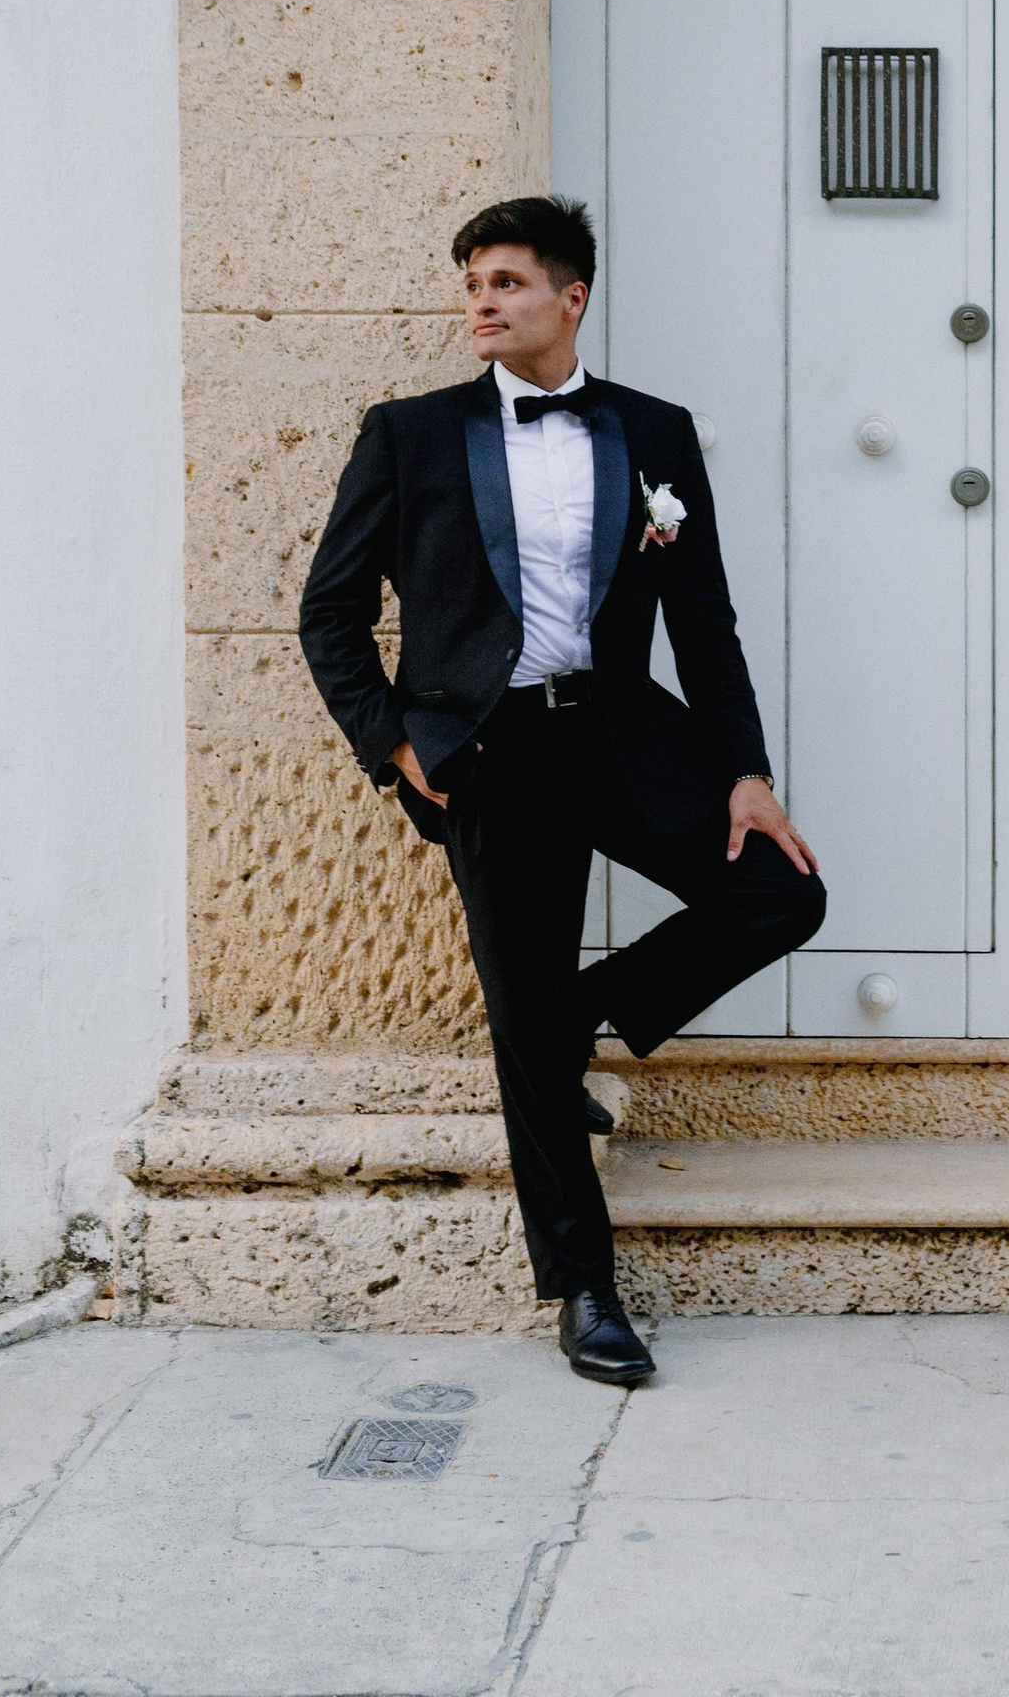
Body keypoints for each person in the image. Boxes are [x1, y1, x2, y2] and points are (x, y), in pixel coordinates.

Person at [298, 196, 827, 1387]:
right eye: (472, 283)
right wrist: (392, 742)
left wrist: (744, 772)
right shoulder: (410, 435)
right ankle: (584, 1288)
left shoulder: (654, 433)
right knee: (520, 1029)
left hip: (627, 738)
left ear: (570, 297)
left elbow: (703, 619)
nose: (482, 303)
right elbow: (328, 613)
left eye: (507, 284)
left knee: (782, 899)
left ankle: (582, 1013)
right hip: (486, 755)